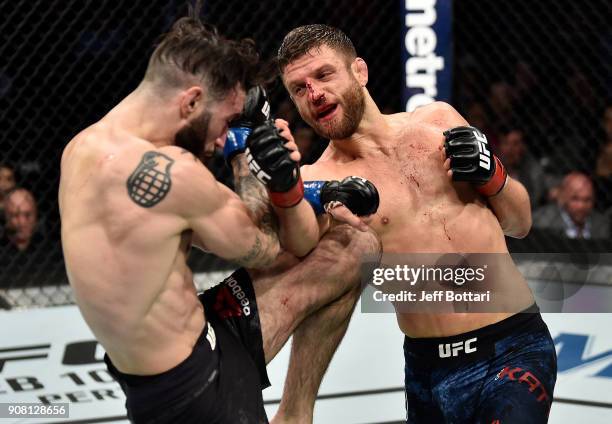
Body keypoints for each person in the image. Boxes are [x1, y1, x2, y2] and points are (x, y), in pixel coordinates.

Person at [59, 11, 380, 424]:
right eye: (227, 122)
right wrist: (252, 159)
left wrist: (310, 193)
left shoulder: (82, 148)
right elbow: (264, 248)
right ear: (191, 101)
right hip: (196, 391)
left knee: (354, 246)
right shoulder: (174, 173)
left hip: (174, 351)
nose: (222, 136)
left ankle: (296, 413)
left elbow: (199, 230)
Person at [268, 25, 556, 423]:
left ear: (360, 72)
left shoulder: (439, 120)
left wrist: (495, 175)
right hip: (427, 371)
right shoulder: (320, 184)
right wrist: (272, 183)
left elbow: (520, 222)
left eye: (323, 75)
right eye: (298, 88)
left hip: (512, 346)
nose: (313, 93)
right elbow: (300, 268)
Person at [533, 172, 610, 239]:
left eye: (587, 200)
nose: (581, 206)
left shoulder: (602, 224)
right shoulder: (541, 223)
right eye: (575, 199)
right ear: (562, 197)